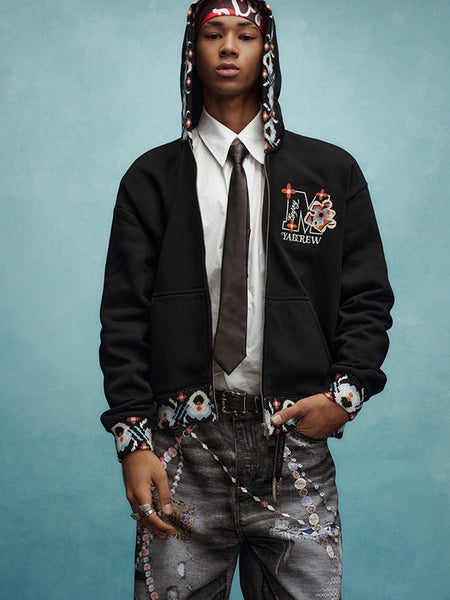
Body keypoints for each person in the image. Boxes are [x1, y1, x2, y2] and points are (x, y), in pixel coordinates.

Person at [99, 1, 394, 598]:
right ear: (193, 50)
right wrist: (132, 440)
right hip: (182, 449)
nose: (229, 47)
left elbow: (367, 297)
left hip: (294, 448)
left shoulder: (329, 173)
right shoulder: (151, 179)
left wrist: (346, 396)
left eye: (245, 35)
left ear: (268, 51)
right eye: (213, 34)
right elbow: (124, 316)